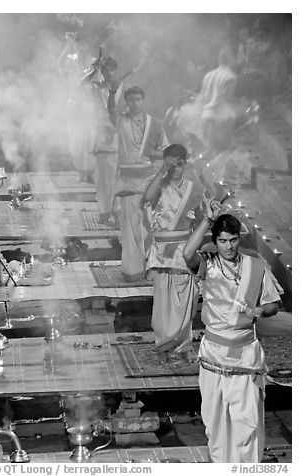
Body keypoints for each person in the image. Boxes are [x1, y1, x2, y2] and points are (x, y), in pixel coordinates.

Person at [183, 203, 281, 463]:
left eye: (233, 240)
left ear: (240, 238)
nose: (229, 246)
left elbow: (273, 304)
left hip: (245, 354)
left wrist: (260, 310)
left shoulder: (255, 266)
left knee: (246, 422)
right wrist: (207, 220)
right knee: (215, 422)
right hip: (214, 354)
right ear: (215, 241)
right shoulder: (209, 264)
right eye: (223, 241)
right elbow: (186, 253)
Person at [142, 144, 203, 362]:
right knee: (162, 303)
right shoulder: (158, 185)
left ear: (185, 164)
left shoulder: (193, 189)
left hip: (183, 250)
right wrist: (161, 171)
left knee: (186, 300)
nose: (176, 168)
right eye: (171, 164)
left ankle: (183, 346)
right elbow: (146, 199)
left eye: (179, 163)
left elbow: (201, 219)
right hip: (161, 252)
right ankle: (163, 347)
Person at [108, 86, 168, 281]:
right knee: (130, 229)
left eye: (138, 99)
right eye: (131, 100)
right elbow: (110, 112)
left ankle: (150, 268)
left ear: (144, 101)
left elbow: (165, 151)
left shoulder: (155, 125)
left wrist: (152, 155)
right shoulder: (122, 121)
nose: (135, 103)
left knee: (148, 227)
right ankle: (133, 271)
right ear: (127, 103)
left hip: (149, 184)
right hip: (127, 183)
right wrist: (111, 94)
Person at [80, 56, 123, 221]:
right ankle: (105, 213)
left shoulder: (121, 88)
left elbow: (116, 113)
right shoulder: (96, 86)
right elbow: (79, 86)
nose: (109, 73)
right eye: (105, 70)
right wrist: (93, 70)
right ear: (102, 72)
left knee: (118, 178)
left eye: (112, 69)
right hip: (101, 137)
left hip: (116, 135)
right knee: (104, 180)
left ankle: (116, 212)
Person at [58, 33, 97, 183]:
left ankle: (90, 172)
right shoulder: (70, 59)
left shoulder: (95, 62)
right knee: (75, 141)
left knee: (90, 139)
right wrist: (68, 46)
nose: (82, 47)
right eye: (79, 44)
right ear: (76, 45)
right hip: (74, 104)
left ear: (88, 45)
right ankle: (81, 171)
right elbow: (59, 65)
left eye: (85, 43)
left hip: (89, 105)